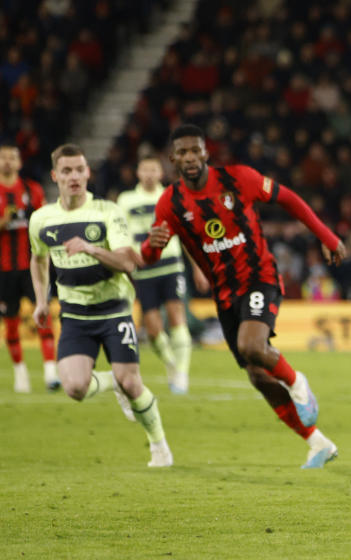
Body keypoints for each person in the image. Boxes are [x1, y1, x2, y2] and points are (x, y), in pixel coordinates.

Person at [141, 124, 346, 469]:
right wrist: (152, 245)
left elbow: (289, 200)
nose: (190, 158)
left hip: (259, 277)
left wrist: (326, 236)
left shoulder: (238, 179)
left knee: (253, 347)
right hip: (224, 295)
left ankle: (298, 382)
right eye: (182, 153)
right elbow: (149, 257)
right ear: (172, 159)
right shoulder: (170, 202)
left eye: (196, 150)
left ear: (206, 152)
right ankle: (317, 443)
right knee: (257, 375)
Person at [28, 144, 172, 467]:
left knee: (133, 383)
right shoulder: (41, 219)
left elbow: (127, 263)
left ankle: (159, 445)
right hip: (75, 315)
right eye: (66, 171)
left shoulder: (108, 212)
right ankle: (111, 382)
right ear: (55, 176)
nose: (74, 176)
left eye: (80, 169)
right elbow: (38, 260)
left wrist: (91, 249)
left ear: (88, 173)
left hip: (114, 310)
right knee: (75, 388)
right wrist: (41, 300)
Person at [117, 156, 204, 393]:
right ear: (137, 172)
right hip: (143, 266)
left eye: (153, 169)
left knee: (177, 316)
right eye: (144, 169)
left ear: (160, 173)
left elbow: (187, 236)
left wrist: (197, 267)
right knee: (153, 328)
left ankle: (182, 374)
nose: (149, 174)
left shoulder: (173, 196)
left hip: (171, 263)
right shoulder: (126, 200)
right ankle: (171, 364)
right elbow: (119, 234)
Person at [1, 141, 59, 392]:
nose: (7, 162)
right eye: (3, 157)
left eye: (12, 157)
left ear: (19, 162)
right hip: (3, 270)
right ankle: (21, 375)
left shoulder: (32, 189)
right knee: (11, 322)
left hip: (32, 266)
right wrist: (4, 221)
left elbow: (44, 224)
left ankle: (50, 374)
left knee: (43, 314)